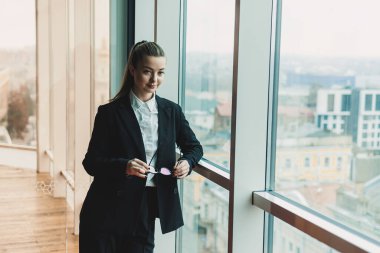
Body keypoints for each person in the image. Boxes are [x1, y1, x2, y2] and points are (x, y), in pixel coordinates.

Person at [79, 40, 203, 253]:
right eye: (148, 72)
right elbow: (91, 163)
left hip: (146, 209)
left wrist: (187, 163)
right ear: (133, 69)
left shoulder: (171, 111)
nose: (155, 79)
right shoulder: (109, 113)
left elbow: (194, 147)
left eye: (161, 72)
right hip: (106, 209)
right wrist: (124, 166)